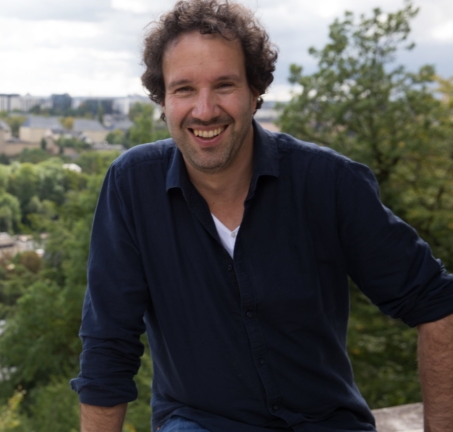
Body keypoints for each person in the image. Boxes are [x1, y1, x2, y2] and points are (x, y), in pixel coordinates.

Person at [70, 1, 453, 431]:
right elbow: (108, 345)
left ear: (256, 92)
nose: (204, 110)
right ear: (163, 100)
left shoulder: (328, 183)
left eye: (224, 85)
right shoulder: (132, 186)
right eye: (184, 89)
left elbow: (436, 303)